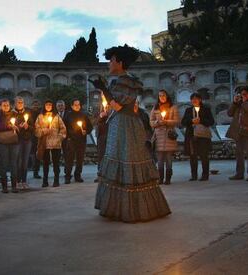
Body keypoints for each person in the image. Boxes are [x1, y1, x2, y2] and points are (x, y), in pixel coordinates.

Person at [90, 44, 171, 223]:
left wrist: (103, 89)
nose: (109, 63)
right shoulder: (117, 81)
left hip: (126, 126)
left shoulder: (126, 80)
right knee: (116, 160)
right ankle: (117, 209)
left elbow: (119, 106)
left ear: (120, 62)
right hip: (118, 124)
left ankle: (134, 211)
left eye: (111, 60)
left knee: (127, 160)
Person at [226, 86, 248, 181]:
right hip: (238, 131)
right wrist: (234, 102)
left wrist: (245, 102)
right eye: (241, 94)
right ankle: (239, 173)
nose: (242, 96)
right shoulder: (238, 104)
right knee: (239, 153)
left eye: (244, 94)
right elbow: (229, 113)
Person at [181, 93, 215, 181]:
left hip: (203, 136)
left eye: (196, 98)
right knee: (193, 156)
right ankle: (194, 175)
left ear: (200, 100)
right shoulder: (188, 110)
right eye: (192, 99)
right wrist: (191, 121)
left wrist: (201, 120)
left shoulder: (206, 109)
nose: (194, 100)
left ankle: (205, 175)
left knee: (204, 156)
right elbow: (183, 122)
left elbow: (211, 121)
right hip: (191, 135)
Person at [150, 89, 179, 185]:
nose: (162, 97)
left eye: (163, 95)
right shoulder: (155, 108)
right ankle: (160, 178)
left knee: (169, 159)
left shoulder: (173, 107)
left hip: (169, 136)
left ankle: (168, 179)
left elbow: (177, 121)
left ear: (167, 96)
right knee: (160, 160)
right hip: (159, 136)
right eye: (160, 96)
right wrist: (157, 122)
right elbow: (151, 122)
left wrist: (166, 122)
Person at [35, 100, 66, 187]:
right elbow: (36, 129)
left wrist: (60, 137)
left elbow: (63, 129)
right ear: (44, 106)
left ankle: (56, 180)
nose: (48, 106)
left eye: (50, 105)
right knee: (45, 163)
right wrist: (44, 131)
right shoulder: (40, 117)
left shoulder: (57, 117)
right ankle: (45, 181)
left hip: (56, 143)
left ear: (52, 106)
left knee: (56, 163)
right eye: (47, 105)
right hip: (45, 143)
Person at [0, 98, 19, 193]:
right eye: (4, 105)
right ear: (0, 106)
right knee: (3, 164)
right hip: (2, 143)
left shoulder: (14, 114)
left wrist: (20, 126)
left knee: (14, 164)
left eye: (7, 105)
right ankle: (4, 187)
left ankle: (14, 186)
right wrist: (9, 126)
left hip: (14, 143)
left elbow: (18, 125)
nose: (6, 107)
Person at [63, 99, 92, 184]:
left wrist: (85, 131)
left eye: (78, 104)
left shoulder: (83, 115)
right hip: (71, 140)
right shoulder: (68, 115)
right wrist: (67, 137)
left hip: (81, 141)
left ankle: (77, 175)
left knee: (80, 159)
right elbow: (64, 128)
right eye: (75, 105)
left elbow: (90, 127)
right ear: (72, 106)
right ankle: (67, 176)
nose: (77, 106)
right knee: (69, 159)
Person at [14, 96, 34, 189]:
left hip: (27, 140)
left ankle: (24, 181)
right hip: (17, 140)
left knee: (25, 161)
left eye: (22, 102)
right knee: (18, 161)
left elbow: (32, 127)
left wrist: (27, 127)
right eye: (18, 102)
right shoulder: (12, 114)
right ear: (15, 103)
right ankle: (17, 181)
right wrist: (17, 126)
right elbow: (10, 124)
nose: (20, 104)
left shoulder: (28, 113)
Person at [30, 100, 42, 179]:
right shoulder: (29, 113)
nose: (36, 106)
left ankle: (36, 171)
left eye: (37, 105)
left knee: (37, 155)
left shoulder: (41, 113)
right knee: (33, 155)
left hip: (39, 136)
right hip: (31, 137)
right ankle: (33, 169)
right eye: (34, 105)